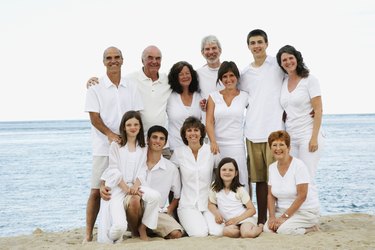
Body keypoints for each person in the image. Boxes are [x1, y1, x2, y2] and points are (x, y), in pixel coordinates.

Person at [83, 47, 143, 242]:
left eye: (117, 57)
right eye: (109, 58)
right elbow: (94, 117)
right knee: (95, 190)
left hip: (128, 147)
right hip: (103, 147)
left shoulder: (131, 86)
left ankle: (133, 229)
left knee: (128, 184)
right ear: (104, 62)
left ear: (123, 60)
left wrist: (132, 138)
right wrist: (110, 135)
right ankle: (88, 233)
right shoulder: (95, 87)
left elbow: (137, 114)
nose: (113, 61)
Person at [239, 29, 285, 224]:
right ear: (248, 46)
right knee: (259, 180)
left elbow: (295, 80)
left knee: (276, 179)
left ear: (267, 43)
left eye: (260, 42)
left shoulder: (277, 65)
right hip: (252, 132)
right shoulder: (245, 73)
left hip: (275, 132)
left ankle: (277, 217)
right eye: (252, 43)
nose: (256, 46)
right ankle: (262, 219)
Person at [98, 111, 154, 243]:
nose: (133, 127)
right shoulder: (116, 145)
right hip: (118, 187)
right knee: (120, 227)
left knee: (154, 197)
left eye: (136, 124)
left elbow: (143, 168)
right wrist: (126, 188)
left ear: (140, 127)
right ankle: (111, 235)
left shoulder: (143, 146)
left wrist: (135, 186)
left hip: (136, 185)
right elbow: (113, 169)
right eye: (129, 125)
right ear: (124, 127)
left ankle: (141, 229)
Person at [276, 45, 324, 181]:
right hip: (291, 137)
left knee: (307, 178)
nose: (288, 62)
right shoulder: (284, 82)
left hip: (308, 135)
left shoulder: (310, 80)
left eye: (291, 58)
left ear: (297, 59)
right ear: (281, 64)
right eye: (284, 60)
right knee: (294, 178)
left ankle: (311, 203)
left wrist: (314, 138)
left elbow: (318, 110)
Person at [170, 116, 222, 237]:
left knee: (218, 232)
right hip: (188, 204)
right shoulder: (178, 153)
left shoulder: (211, 150)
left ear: (201, 133)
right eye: (189, 130)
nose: (193, 133)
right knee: (200, 233)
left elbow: (222, 175)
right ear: (184, 134)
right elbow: (170, 177)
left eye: (196, 130)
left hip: (209, 204)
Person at [132, 125, 184, 240]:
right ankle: (136, 230)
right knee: (134, 200)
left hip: (156, 213)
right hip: (134, 210)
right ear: (148, 140)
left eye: (161, 138)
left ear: (165, 143)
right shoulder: (136, 162)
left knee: (177, 234)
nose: (158, 141)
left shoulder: (171, 168)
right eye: (154, 137)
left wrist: (170, 209)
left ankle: (150, 228)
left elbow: (177, 196)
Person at [264, 130, 320, 235]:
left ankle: (311, 228)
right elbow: (270, 195)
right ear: (270, 148)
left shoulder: (299, 166)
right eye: (274, 145)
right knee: (267, 229)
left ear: (289, 148)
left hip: (304, 211)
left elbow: (302, 196)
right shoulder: (272, 168)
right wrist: (272, 217)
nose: (278, 148)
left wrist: (284, 218)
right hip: (282, 211)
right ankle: (286, 223)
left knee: (283, 231)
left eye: (281, 145)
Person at [206, 61, 249, 192]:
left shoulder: (245, 96)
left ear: (237, 77)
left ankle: (244, 208)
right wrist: (213, 142)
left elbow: (260, 109)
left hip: (236, 144)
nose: (228, 79)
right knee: (218, 178)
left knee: (240, 178)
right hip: (217, 145)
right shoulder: (213, 97)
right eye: (224, 76)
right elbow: (209, 122)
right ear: (220, 79)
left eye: (231, 75)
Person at [208, 157, 263, 238]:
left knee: (247, 234)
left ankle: (260, 227)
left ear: (236, 173)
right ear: (219, 171)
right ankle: (240, 230)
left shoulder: (240, 189)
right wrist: (216, 214)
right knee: (227, 232)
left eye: (231, 170)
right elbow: (211, 204)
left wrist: (237, 220)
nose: (227, 172)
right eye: (224, 169)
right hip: (230, 222)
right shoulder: (215, 188)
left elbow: (252, 210)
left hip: (244, 219)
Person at [166, 61, 202, 151]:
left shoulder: (199, 96)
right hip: (175, 149)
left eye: (187, 73)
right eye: (181, 74)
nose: (185, 76)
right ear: (175, 77)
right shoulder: (169, 96)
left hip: (196, 149)